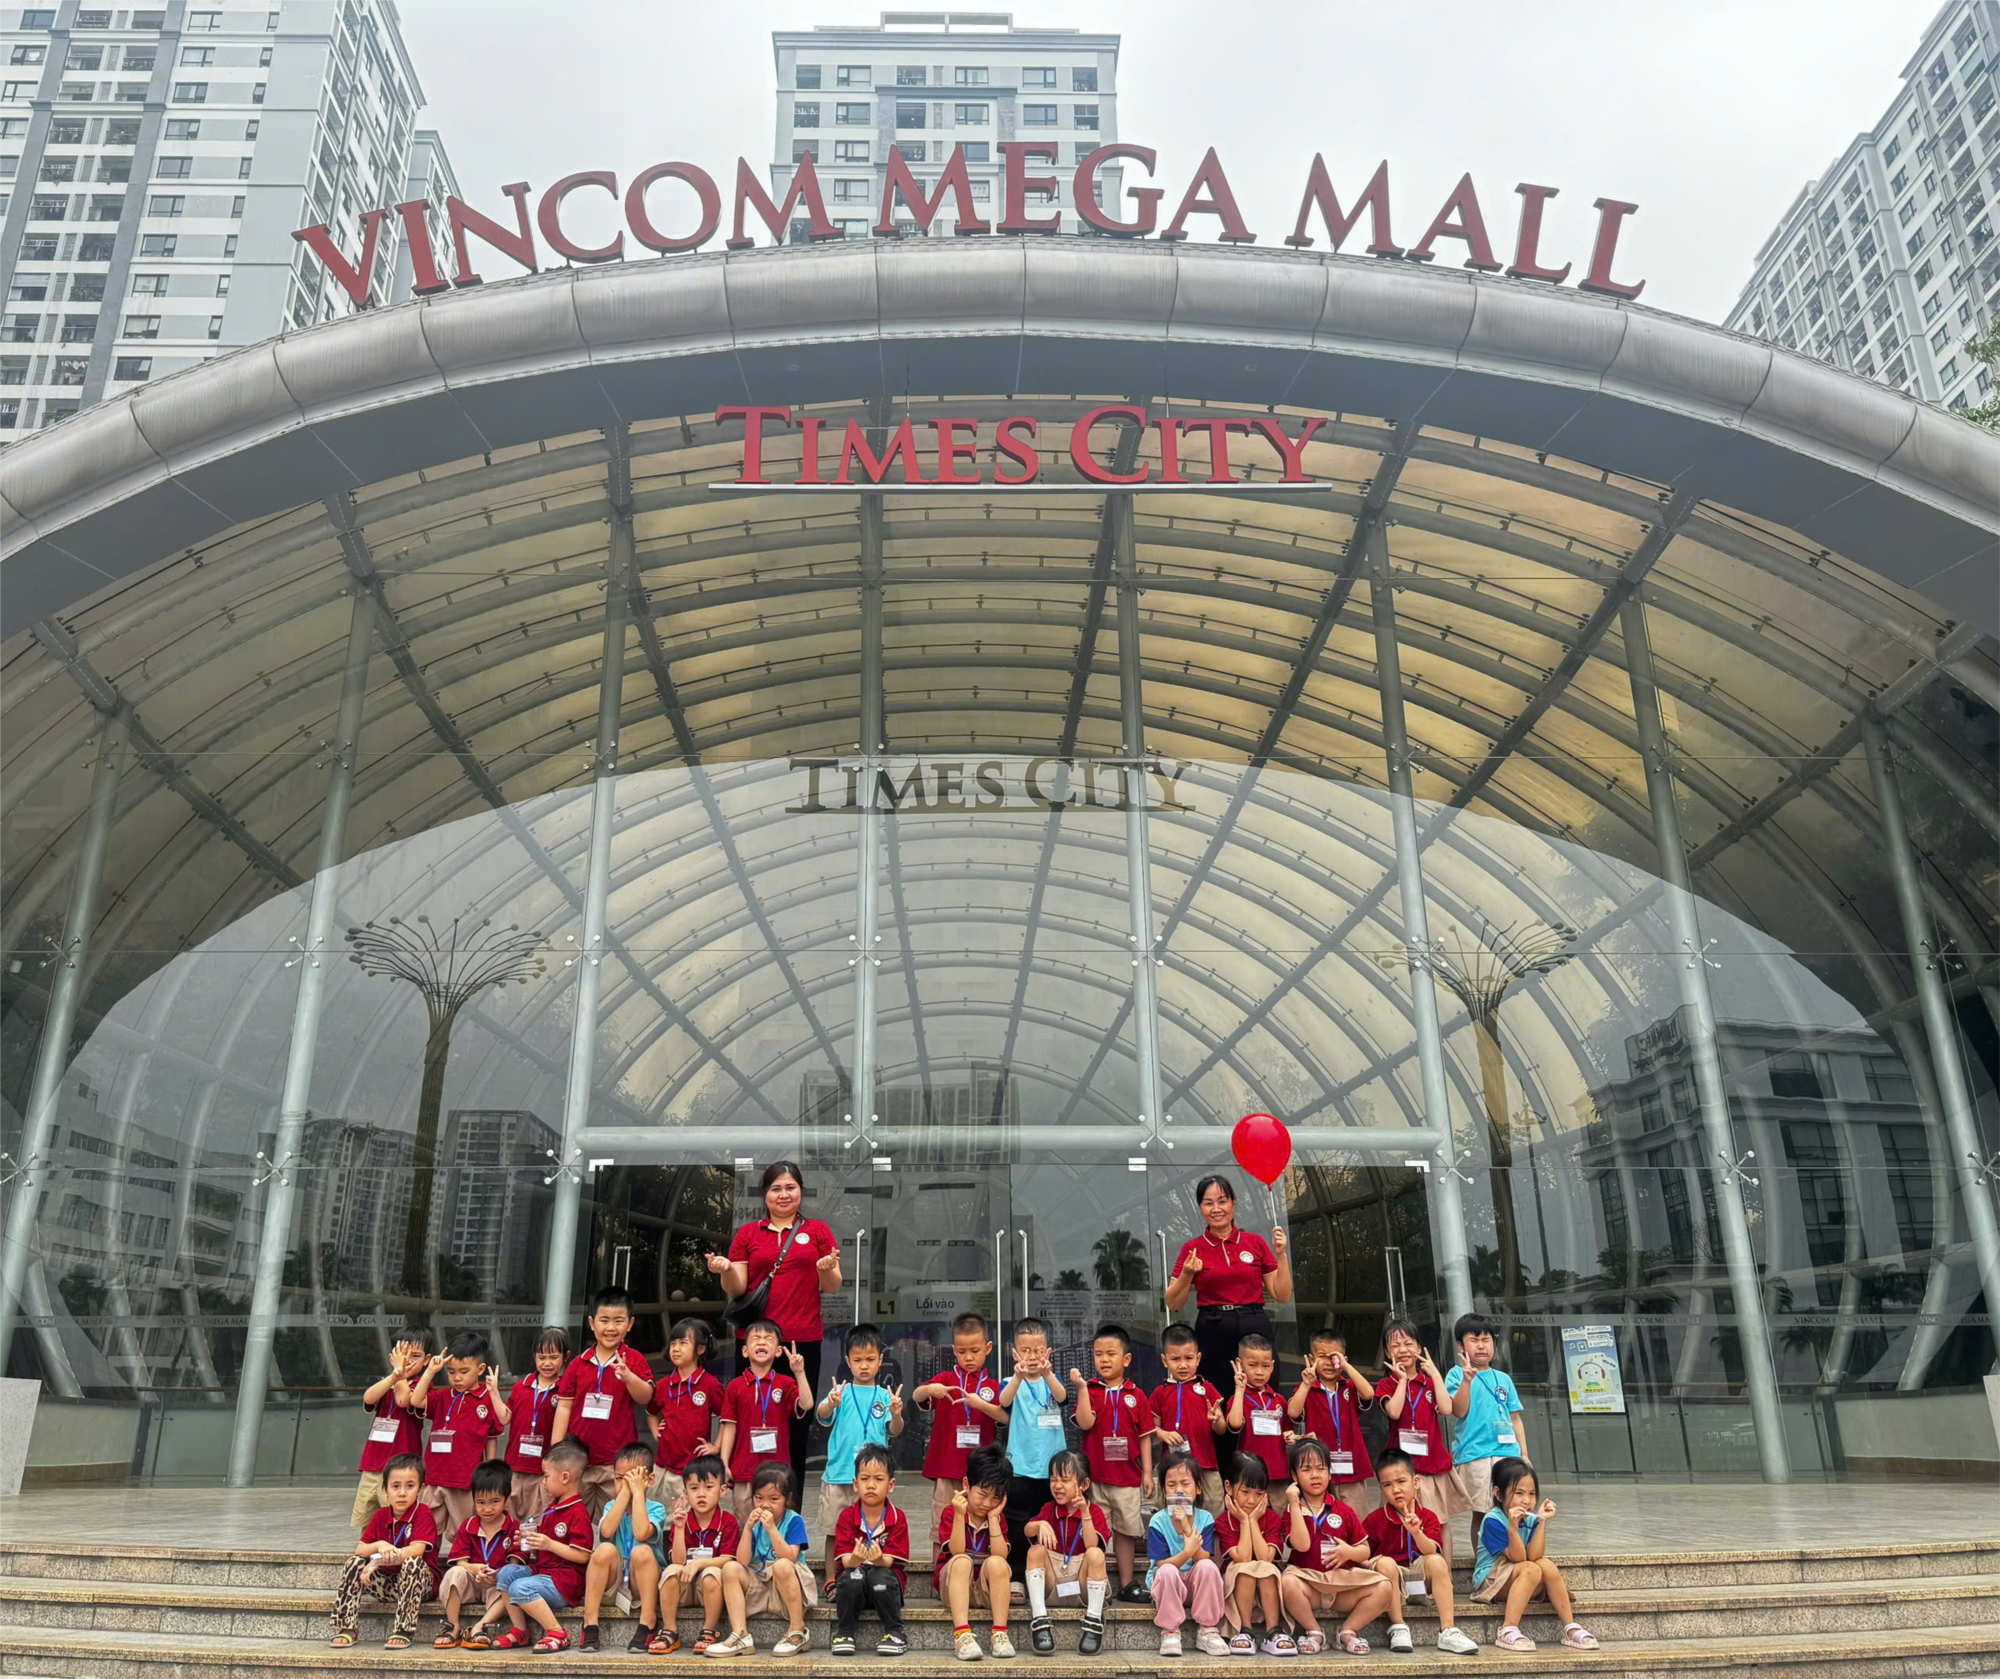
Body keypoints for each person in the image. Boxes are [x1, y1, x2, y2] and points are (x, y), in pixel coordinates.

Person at [706, 1159, 842, 1474]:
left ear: (800, 1191)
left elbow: (832, 1286)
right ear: (765, 1194)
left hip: (801, 1341)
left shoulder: (817, 1231)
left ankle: (791, 1497)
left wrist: (826, 1269)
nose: (783, 1194)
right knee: (750, 1418)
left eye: (790, 1187)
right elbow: (738, 1288)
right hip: (757, 1341)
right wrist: (725, 1270)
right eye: (775, 1188)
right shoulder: (748, 1233)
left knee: (798, 1421)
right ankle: (748, 1489)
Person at [1163, 1175, 1292, 1412]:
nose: (1216, 1209)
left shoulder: (1255, 1243)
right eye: (1208, 1203)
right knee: (1217, 1398)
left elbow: (1281, 1294)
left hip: (1254, 1324)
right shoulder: (1192, 1248)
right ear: (1200, 1207)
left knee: (1262, 1397)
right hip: (1214, 1329)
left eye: (1222, 1201)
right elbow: (1173, 1303)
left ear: (1233, 1203)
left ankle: (1262, 1437)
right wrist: (1187, 1274)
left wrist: (1281, 1254)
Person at [551, 1286, 656, 1525]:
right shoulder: (578, 1364)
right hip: (580, 1461)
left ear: (630, 1324)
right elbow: (564, 1407)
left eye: (619, 1321)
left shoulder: (634, 1359)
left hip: (617, 1464)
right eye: (604, 1320)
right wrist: (557, 1451)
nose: (610, 1328)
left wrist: (629, 1377)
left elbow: (646, 1397)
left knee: (616, 1522)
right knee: (575, 1520)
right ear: (592, 1323)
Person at [1278, 1436, 1391, 1656]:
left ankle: (1348, 1631)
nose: (1315, 1475)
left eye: (1321, 1468)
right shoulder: (1291, 1511)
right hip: (1308, 1584)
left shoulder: (1343, 1510)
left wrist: (1349, 1552)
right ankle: (1314, 1631)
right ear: (1294, 1476)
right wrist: (1294, 1503)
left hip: (1341, 1586)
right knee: (1287, 1582)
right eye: (1306, 1469)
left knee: (1384, 1587)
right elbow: (1301, 1545)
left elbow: (1365, 1550)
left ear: (1329, 1473)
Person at [1472, 1457, 1598, 1653]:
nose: (1527, 1500)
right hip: (1491, 1580)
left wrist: (1541, 1522)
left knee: (1546, 1565)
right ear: (1498, 1493)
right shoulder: (1492, 1521)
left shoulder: (1529, 1518)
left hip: (1521, 1574)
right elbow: (1518, 1558)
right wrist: (1512, 1529)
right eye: (1519, 1493)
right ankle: (1507, 1629)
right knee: (1531, 1568)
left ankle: (1570, 1626)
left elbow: (1535, 1555)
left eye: (1532, 1493)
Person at [815, 1322, 905, 1591]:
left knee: (870, 1528)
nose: (864, 1366)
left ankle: (865, 1578)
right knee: (834, 1530)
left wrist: (897, 1413)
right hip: (839, 1474)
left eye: (869, 1359)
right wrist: (830, 1403)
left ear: (880, 1360)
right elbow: (822, 1416)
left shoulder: (884, 1396)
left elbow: (894, 1430)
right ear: (848, 1361)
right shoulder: (840, 1393)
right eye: (857, 1360)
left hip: (872, 1477)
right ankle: (831, 1579)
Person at [913, 1311, 1005, 1570]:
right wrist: (930, 1389)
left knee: (981, 1523)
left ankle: (979, 1575)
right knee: (940, 1526)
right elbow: (917, 1395)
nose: (968, 1357)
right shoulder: (946, 1380)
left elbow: (1005, 1417)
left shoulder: (993, 1386)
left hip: (982, 1474)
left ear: (988, 1348)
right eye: (962, 1351)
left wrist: (982, 1405)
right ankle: (938, 1577)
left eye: (975, 1351)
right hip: (947, 1469)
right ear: (954, 1350)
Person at [1363, 1447, 1477, 1656]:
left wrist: (1416, 1532)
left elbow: (1430, 1549)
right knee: (1385, 1563)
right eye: (1387, 1485)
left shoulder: (1429, 1516)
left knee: (1436, 1561)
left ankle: (1448, 1630)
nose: (1396, 1489)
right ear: (1381, 1489)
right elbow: (1362, 1554)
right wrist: (1371, 1562)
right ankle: (1398, 1626)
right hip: (1392, 1584)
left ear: (1415, 1482)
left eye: (1401, 1481)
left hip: (1421, 1583)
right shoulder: (1374, 1519)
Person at [1069, 1322, 1154, 1604]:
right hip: (1095, 1478)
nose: (1104, 1360)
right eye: (1098, 1354)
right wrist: (1082, 1389)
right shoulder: (1091, 1390)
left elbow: (1145, 1436)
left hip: (1128, 1477)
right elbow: (1085, 1423)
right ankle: (1098, 1585)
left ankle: (1127, 1584)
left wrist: (1148, 1473)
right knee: (1096, 1532)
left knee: (1126, 1531)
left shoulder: (1137, 1395)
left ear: (1126, 1359)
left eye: (1110, 1354)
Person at [489, 1437, 593, 1653]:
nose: (543, 1482)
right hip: (544, 1573)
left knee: (520, 1587)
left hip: (565, 1582)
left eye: (546, 1476)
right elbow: (546, 1549)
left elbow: (583, 1556)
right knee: (506, 1573)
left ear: (565, 1477)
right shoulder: (552, 1509)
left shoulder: (578, 1512)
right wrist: (533, 1544)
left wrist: (549, 1544)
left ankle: (557, 1632)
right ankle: (520, 1630)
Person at [1377, 1317, 1467, 1560]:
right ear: (1387, 1351)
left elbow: (1446, 1409)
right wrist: (1402, 1380)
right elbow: (1394, 1412)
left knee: (1439, 1520)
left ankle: (1444, 1573)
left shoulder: (1429, 1382)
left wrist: (1435, 1375)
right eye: (1395, 1345)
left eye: (1408, 1343)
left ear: (1418, 1347)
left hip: (1432, 1465)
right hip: (1400, 1468)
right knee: (1401, 1520)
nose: (1403, 1350)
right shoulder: (1386, 1383)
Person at [329, 1452, 439, 1650]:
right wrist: (379, 1544)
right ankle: (347, 1626)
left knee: (412, 1563)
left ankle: (404, 1630)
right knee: (355, 1562)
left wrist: (376, 1561)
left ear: (421, 1489)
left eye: (410, 1486)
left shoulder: (422, 1513)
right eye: (395, 1486)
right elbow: (360, 1549)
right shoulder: (380, 1515)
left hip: (419, 1586)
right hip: (388, 1585)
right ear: (385, 1489)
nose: (402, 1493)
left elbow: (416, 1550)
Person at [404, 1329, 505, 1545]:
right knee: (427, 1530)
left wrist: (490, 1470)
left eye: (464, 1371)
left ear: (480, 1369)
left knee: (464, 1532)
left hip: (464, 1481)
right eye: (451, 1372)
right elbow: (415, 1400)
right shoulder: (442, 1396)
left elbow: (491, 1437)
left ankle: (463, 1563)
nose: (457, 1378)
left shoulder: (487, 1399)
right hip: (434, 1477)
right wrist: (430, 1372)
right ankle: (427, 1565)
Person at [1442, 1311, 1528, 1558]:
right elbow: (1458, 1410)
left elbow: (1515, 1418)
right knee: (1482, 1513)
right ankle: (1485, 1564)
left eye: (1486, 1340)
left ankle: (1514, 1558)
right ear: (1461, 1346)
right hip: (1475, 1455)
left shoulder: (1503, 1378)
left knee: (1514, 1509)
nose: (1481, 1345)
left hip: (1509, 1455)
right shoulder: (1456, 1375)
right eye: (1474, 1340)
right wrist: (1467, 1380)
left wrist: (1524, 1454)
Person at [717, 1318, 815, 1520]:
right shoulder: (735, 1386)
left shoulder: (785, 1383)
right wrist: (724, 1463)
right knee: (746, 1526)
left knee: (775, 1528)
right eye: (755, 1338)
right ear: (745, 1351)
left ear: (778, 1351)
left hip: (777, 1472)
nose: (761, 1342)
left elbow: (806, 1404)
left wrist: (799, 1372)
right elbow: (729, 1427)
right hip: (744, 1471)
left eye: (768, 1339)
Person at [997, 1317, 1068, 1591]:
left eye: (1038, 1350)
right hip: (1020, 1465)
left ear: (1047, 1352)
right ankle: (1016, 1577)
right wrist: (1018, 1376)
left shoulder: (1053, 1380)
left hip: (1052, 1468)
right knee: (1017, 1523)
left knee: (1049, 1521)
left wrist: (1048, 1374)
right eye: (1026, 1351)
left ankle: (1049, 1576)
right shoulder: (1010, 1381)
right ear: (1015, 1353)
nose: (1032, 1356)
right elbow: (1003, 1401)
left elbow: (1062, 1398)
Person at [1022, 1448, 1110, 1657]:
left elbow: (1092, 1544)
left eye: (1065, 1480)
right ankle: (1039, 1620)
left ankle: (1093, 1621)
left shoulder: (1094, 1511)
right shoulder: (1048, 1509)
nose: (1057, 1485)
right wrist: (1039, 1524)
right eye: (1053, 1479)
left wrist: (1085, 1513)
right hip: (1053, 1585)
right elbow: (1027, 1530)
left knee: (1095, 1554)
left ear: (1084, 1484)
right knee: (1035, 1551)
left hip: (1082, 1586)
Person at [580, 1439, 666, 1654]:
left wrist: (637, 1493)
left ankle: (648, 1621)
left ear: (649, 1480)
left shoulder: (656, 1509)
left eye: (631, 1478)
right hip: (615, 1584)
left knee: (641, 1550)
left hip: (643, 1585)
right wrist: (626, 1493)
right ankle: (589, 1621)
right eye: (619, 1478)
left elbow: (641, 1533)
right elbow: (607, 1532)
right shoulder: (611, 1506)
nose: (624, 1485)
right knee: (603, 1550)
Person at [829, 1442, 911, 1657]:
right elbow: (845, 1561)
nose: (871, 1485)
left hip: (884, 1585)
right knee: (851, 1575)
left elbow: (890, 1562)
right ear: (855, 1484)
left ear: (891, 1485)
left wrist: (879, 1560)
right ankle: (845, 1632)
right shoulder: (846, 1516)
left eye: (878, 1479)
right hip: (855, 1583)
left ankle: (895, 1631)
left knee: (879, 1574)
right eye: (865, 1479)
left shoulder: (897, 1517)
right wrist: (855, 1560)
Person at [724, 1463, 814, 1659]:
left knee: (782, 1564)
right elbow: (742, 1560)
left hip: (787, 1587)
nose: (765, 1504)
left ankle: (797, 1630)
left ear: (787, 1499)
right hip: (760, 1583)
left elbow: (790, 1556)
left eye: (774, 1499)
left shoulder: (794, 1520)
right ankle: (740, 1634)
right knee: (730, 1567)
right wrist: (747, 1529)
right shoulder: (755, 1523)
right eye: (759, 1498)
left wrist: (772, 1529)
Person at [1144, 1448, 1227, 1658]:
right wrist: (1187, 1550)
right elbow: (1162, 1565)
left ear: (1198, 1488)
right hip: (1168, 1586)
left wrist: (1187, 1530)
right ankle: (1170, 1630)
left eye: (1185, 1484)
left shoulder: (1205, 1518)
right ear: (1164, 1489)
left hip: (1194, 1586)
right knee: (1167, 1571)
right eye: (1171, 1485)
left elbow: (1203, 1557)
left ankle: (1207, 1629)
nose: (1178, 1491)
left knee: (1208, 1567)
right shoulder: (1158, 1521)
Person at [652, 1451, 738, 1656]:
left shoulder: (728, 1521)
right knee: (671, 1570)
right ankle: (669, 1630)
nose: (701, 1494)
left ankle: (709, 1629)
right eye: (694, 1488)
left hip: (710, 1589)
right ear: (685, 1492)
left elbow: (728, 1559)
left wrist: (699, 1564)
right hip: (684, 1586)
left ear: (722, 1490)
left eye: (708, 1487)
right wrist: (679, 1527)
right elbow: (678, 1560)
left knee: (712, 1573)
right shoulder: (682, 1520)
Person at [935, 1443, 1013, 1661]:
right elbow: (956, 1550)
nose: (987, 1503)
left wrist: (994, 1519)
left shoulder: (996, 1516)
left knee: (997, 1563)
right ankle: (962, 1635)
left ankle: (1000, 1633)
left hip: (985, 1590)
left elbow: (1001, 1555)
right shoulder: (952, 1513)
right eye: (983, 1494)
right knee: (961, 1560)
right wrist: (960, 1515)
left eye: (996, 1497)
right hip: (954, 1588)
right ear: (966, 1485)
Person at [1286, 1327, 1376, 1514]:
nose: (1328, 1362)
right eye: (1322, 1356)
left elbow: (1369, 1393)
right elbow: (1293, 1412)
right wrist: (1306, 1383)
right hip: (1318, 1471)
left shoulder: (1349, 1387)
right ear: (1311, 1359)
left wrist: (1346, 1367)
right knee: (1323, 1519)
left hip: (1352, 1469)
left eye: (1333, 1357)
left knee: (1357, 1519)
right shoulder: (1307, 1390)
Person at [437, 1461, 520, 1649]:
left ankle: (480, 1626)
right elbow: (460, 1562)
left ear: (506, 1499)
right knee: (453, 1573)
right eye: (481, 1502)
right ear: (473, 1500)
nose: (487, 1509)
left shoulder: (513, 1527)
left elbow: (515, 1565)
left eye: (494, 1501)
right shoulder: (467, 1526)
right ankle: (453, 1626)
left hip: (496, 1585)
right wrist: (473, 1568)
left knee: (511, 1584)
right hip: (472, 1582)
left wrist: (497, 1576)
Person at [1212, 1453, 1287, 1656]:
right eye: (1245, 1492)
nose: (1252, 1500)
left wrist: (1253, 1521)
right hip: (1235, 1582)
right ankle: (1244, 1630)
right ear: (1228, 1488)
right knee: (1246, 1568)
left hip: (1266, 1581)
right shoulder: (1223, 1521)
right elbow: (1243, 1557)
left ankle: (1273, 1631)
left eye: (1259, 1494)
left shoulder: (1272, 1519)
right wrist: (1245, 1521)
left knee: (1265, 1567)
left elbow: (1265, 1557)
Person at [649, 1315, 724, 1511]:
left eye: (683, 1343)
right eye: (673, 1343)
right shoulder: (663, 1384)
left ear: (700, 1349)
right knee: (658, 1518)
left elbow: (728, 1418)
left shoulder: (711, 1385)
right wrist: (656, 1430)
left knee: (689, 1521)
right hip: (663, 1467)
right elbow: (650, 1412)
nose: (676, 1348)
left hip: (694, 1470)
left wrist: (716, 1446)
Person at [1150, 1323, 1226, 1511]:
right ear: (1164, 1360)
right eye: (1175, 1359)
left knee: (1213, 1513)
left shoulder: (1207, 1389)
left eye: (1189, 1358)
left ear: (1198, 1358)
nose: (1183, 1365)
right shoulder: (1160, 1392)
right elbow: (1151, 1429)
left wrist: (1217, 1420)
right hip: (1173, 1468)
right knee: (1173, 1516)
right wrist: (1163, 1434)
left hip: (1206, 1465)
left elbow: (1222, 1429)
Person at [353, 1338, 427, 1529]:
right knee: (368, 1522)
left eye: (415, 1356)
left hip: (402, 1467)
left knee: (397, 1520)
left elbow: (403, 1400)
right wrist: (393, 1376)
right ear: (393, 1357)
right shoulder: (388, 1382)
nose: (408, 1360)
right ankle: (367, 1547)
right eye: (403, 1355)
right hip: (372, 1464)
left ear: (426, 1360)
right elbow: (368, 1398)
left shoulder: (422, 1385)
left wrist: (399, 1375)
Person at [503, 1326, 569, 1525]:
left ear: (565, 1357)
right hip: (515, 1466)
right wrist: (494, 1394)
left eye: (553, 1357)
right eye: (542, 1357)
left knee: (538, 1523)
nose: (547, 1363)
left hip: (544, 1471)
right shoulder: (521, 1386)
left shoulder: (565, 1390)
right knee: (509, 1521)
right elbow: (504, 1417)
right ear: (534, 1357)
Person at [1224, 1334, 1289, 1485]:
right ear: (1240, 1364)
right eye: (1253, 1365)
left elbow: (1288, 1430)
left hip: (1278, 1472)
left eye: (1265, 1366)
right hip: (1249, 1473)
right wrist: (1240, 1390)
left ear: (1272, 1366)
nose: (1260, 1372)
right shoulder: (1237, 1399)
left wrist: (1290, 1436)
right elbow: (1234, 1424)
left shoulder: (1279, 1400)